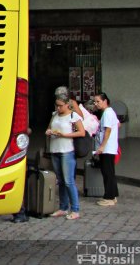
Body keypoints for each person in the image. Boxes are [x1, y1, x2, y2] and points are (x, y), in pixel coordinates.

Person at [45, 91, 85, 220]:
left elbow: (82, 132)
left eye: (60, 105)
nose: (58, 108)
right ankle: (63, 207)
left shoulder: (74, 116)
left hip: (67, 150)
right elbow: (48, 128)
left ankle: (75, 209)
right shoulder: (55, 115)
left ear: (67, 104)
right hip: (55, 149)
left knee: (69, 181)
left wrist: (64, 135)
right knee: (61, 181)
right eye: (57, 105)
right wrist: (50, 132)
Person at [93, 93, 119, 206]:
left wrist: (102, 146)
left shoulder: (108, 113)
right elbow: (118, 124)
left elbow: (108, 130)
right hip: (109, 147)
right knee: (109, 172)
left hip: (107, 148)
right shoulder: (109, 112)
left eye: (98, 101)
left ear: (105, 101)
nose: (96, 104)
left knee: (107, 172)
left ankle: (109, 197)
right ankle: (112, 195)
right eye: (95, 102)